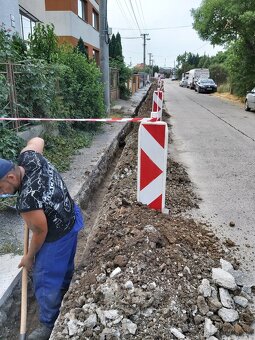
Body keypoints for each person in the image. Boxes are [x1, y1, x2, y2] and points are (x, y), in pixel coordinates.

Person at [0, 137, 84, 340]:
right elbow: (38, 139)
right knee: (65, 266)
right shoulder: (29, 157)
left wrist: (29, 257)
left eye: (0, 187)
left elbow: (40, 232)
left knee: (44, 278)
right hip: (71, 216)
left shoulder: (27, 200)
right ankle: (66, 287)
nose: (1, 193)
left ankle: (48, 323)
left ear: (11, 177)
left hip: (56, 235)